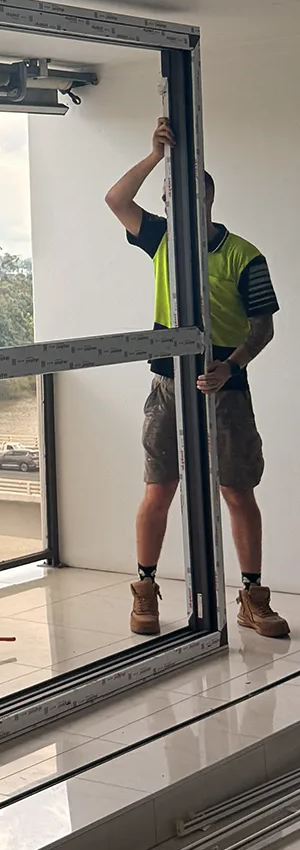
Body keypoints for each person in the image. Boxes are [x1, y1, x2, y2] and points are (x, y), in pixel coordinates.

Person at [105, 117, 287, 638]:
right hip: (167, 386)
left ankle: (252, 597)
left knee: (237, 491)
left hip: (225, 390)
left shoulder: (244, 256)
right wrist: (154, 157)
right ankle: (144, 591)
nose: (170, 204)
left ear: (204, 197)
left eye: (180, 193)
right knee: (158, 488)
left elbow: (263, 328)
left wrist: (231, 365)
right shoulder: (161, 238)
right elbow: (116, 199)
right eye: (167, 195)